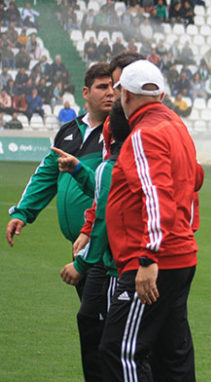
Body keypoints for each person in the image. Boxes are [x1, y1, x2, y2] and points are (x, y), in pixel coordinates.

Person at [5, 63, 113, 379]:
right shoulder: (68, 131)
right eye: (102, 87)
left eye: (112, 87)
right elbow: (46, 174)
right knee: (94, 326)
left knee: (103, 327)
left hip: (104, 246)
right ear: (85, 92)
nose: (109, 92)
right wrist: (23, 212)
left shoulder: (117, 133)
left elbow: (110, 189)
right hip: (79, 245)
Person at [99, 59, 203, 381]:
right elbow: (196, 178)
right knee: (172, 354)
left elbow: (155, 195)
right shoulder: (176, 125)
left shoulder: (145, 133)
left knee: (120, 351)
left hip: (154, 259)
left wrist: (148, 256)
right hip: (180, 254)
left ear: (125, 95)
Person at [53, 99, 130, 382]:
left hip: (124, 265)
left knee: (123, 346)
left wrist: (82, 265)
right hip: (125, 262)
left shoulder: (116, 165)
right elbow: (103, 199)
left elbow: (105, 220)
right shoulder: (114, 165)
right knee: (97, 326)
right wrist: (77, 170)